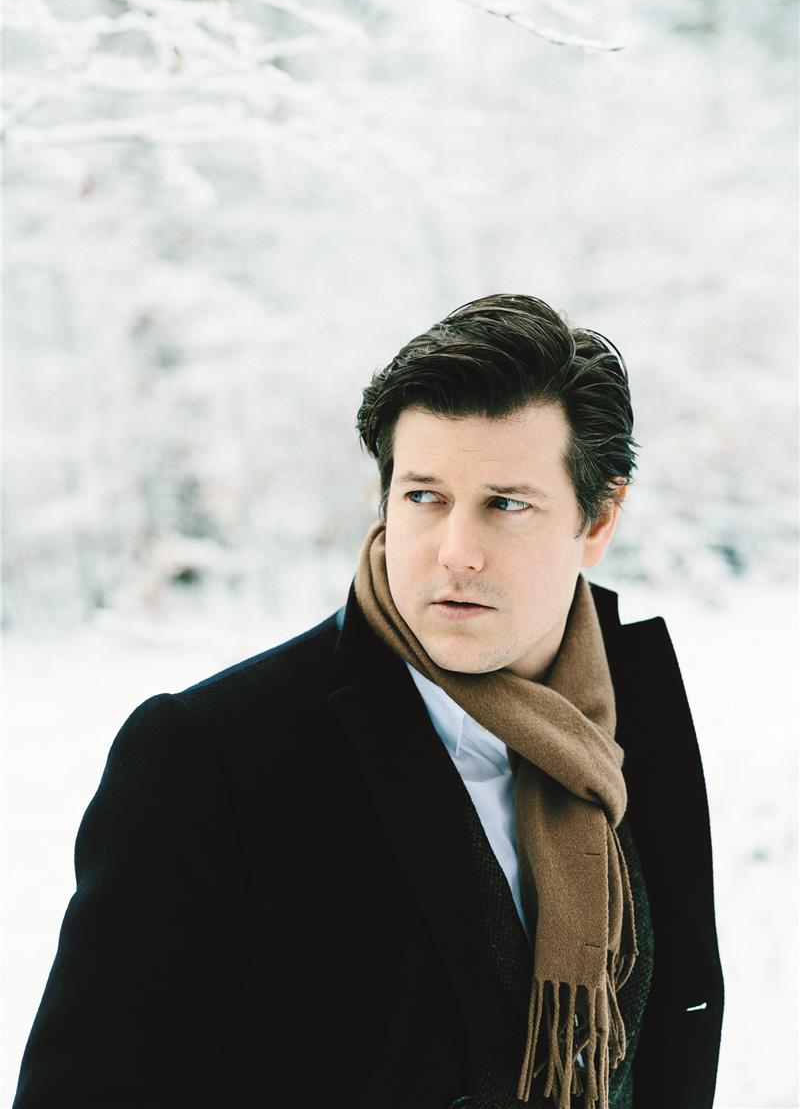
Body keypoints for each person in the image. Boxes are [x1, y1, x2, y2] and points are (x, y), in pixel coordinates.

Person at [13, 295, 723, 1109]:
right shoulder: (210, 759)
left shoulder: (632, 721)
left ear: (598, 519)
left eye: (506, 503)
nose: (457, 552)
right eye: (424, 496)